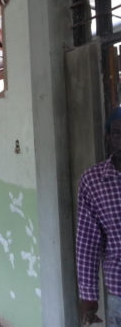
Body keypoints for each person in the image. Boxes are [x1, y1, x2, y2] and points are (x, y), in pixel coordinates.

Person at [77, 106, 121, 325]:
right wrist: (88, 298)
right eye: (118, 133)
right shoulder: (93, 181)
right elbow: (88, 243)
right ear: (108, 138)